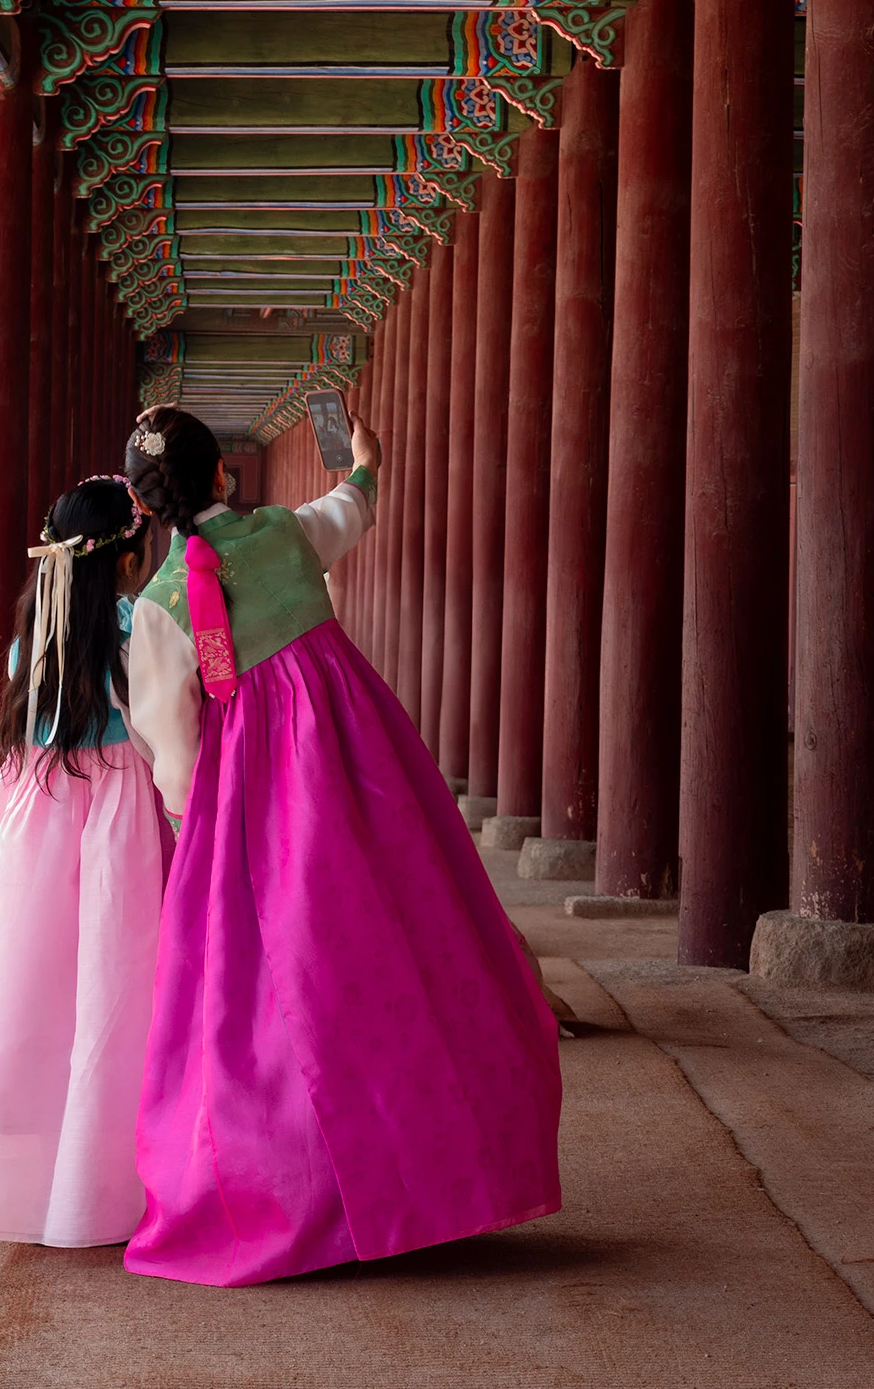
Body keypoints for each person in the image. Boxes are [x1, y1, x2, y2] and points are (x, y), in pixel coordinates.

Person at [121, 403, 563, 1287]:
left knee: (272, 992)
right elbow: (348, 508)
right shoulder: (286, 536)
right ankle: (436, 1167)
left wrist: (189, 823)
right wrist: (367, 459)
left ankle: (296, 1188)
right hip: (360, 772)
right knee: (400, 953)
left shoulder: (161, 610)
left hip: (250, 796)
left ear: (145, 508)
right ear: (222, 477)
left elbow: (171, 748)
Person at [0, 475, 169, 1248]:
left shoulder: (35, 639)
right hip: (117, 830)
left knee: (30, 1005)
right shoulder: (141, 636)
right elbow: (163, 737)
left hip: (29, 823)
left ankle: (28, 1182)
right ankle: (104, 1186)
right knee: (112, 1007)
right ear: (130, 561)